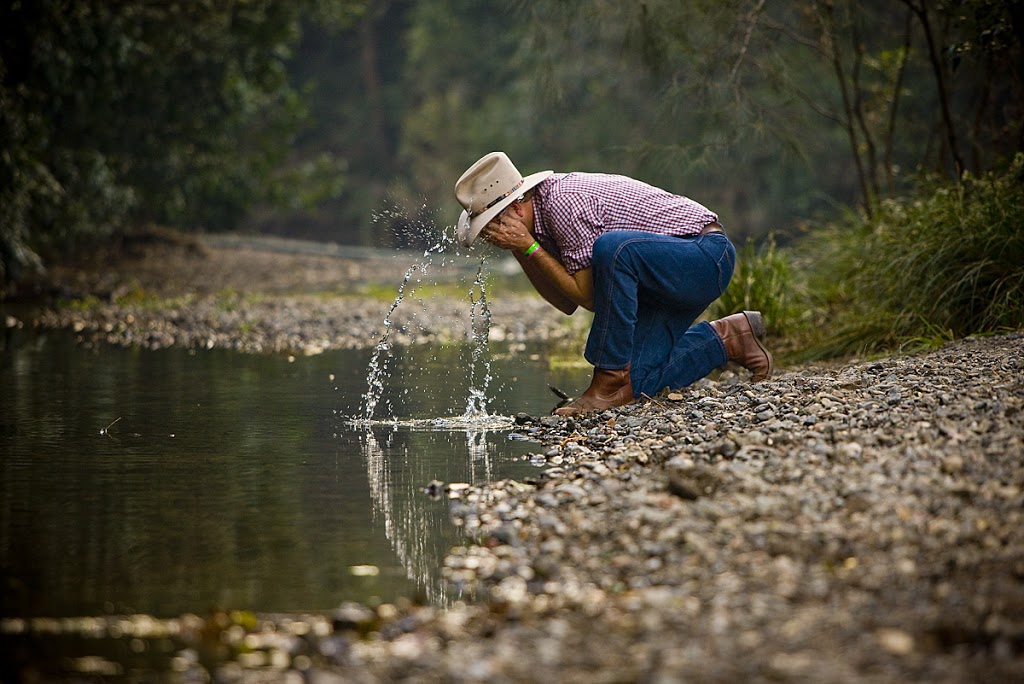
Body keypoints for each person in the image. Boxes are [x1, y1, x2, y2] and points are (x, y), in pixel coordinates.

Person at [454, 151, 773, 417]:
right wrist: (524, 249)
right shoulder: (537, 223)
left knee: (613, 248)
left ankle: (606, 379)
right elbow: (566, 302)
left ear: (516, 208)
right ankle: (731, 337)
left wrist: (529, 248)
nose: (490, 238)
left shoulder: (563, 203)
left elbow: (590, 296)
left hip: (704, 257)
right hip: (659, 281)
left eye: (492, 227)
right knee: (635, 385)